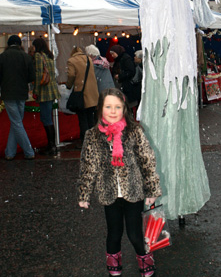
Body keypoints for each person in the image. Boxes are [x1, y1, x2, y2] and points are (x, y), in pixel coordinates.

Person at [117, 0, 218, 220]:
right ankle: (158, 194)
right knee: (164, 88)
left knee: (180, 88)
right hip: (160, 17)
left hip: (177, 19)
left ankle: (181, 190)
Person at [77, 87, 161, 277]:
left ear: (124, 109)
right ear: (100, 109)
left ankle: (145, 260)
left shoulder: (134, 132)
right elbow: (88, 166)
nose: (113, 111)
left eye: (117, 106)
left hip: (133, 191)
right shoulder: (92, 136)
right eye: (108, 106)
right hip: (109, 193)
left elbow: (147, 161)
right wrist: (84, 193)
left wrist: (152, 189)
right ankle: (113, 263)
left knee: (134, 234)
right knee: (114, 233)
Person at [0, 35, 35, 160]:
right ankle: (10, 153)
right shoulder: (26, 57)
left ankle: (29, 151)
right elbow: (31, 77)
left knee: (16, 123)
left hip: (8, 93)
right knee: (17, 123)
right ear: (19, 44)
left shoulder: (2, 57)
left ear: (8, 44)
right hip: (22, 94)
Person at [66, 46, 98, 145]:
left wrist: (68, 85)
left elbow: (71, 75)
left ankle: (85, 142)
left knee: (82, 119)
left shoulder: (71, 61)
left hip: (81, 93)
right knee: (90, 118)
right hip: (92, 93)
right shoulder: (88, 59)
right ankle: (93, 140)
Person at [32, 38, 60, 155]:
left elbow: (39, 75)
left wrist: (36, 91)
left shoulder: (38, 56)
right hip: (51, 89)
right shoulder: (49, 55)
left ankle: (51, 145)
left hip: (44, 91)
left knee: (46, 118)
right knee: (48, 117)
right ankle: (52, 145)